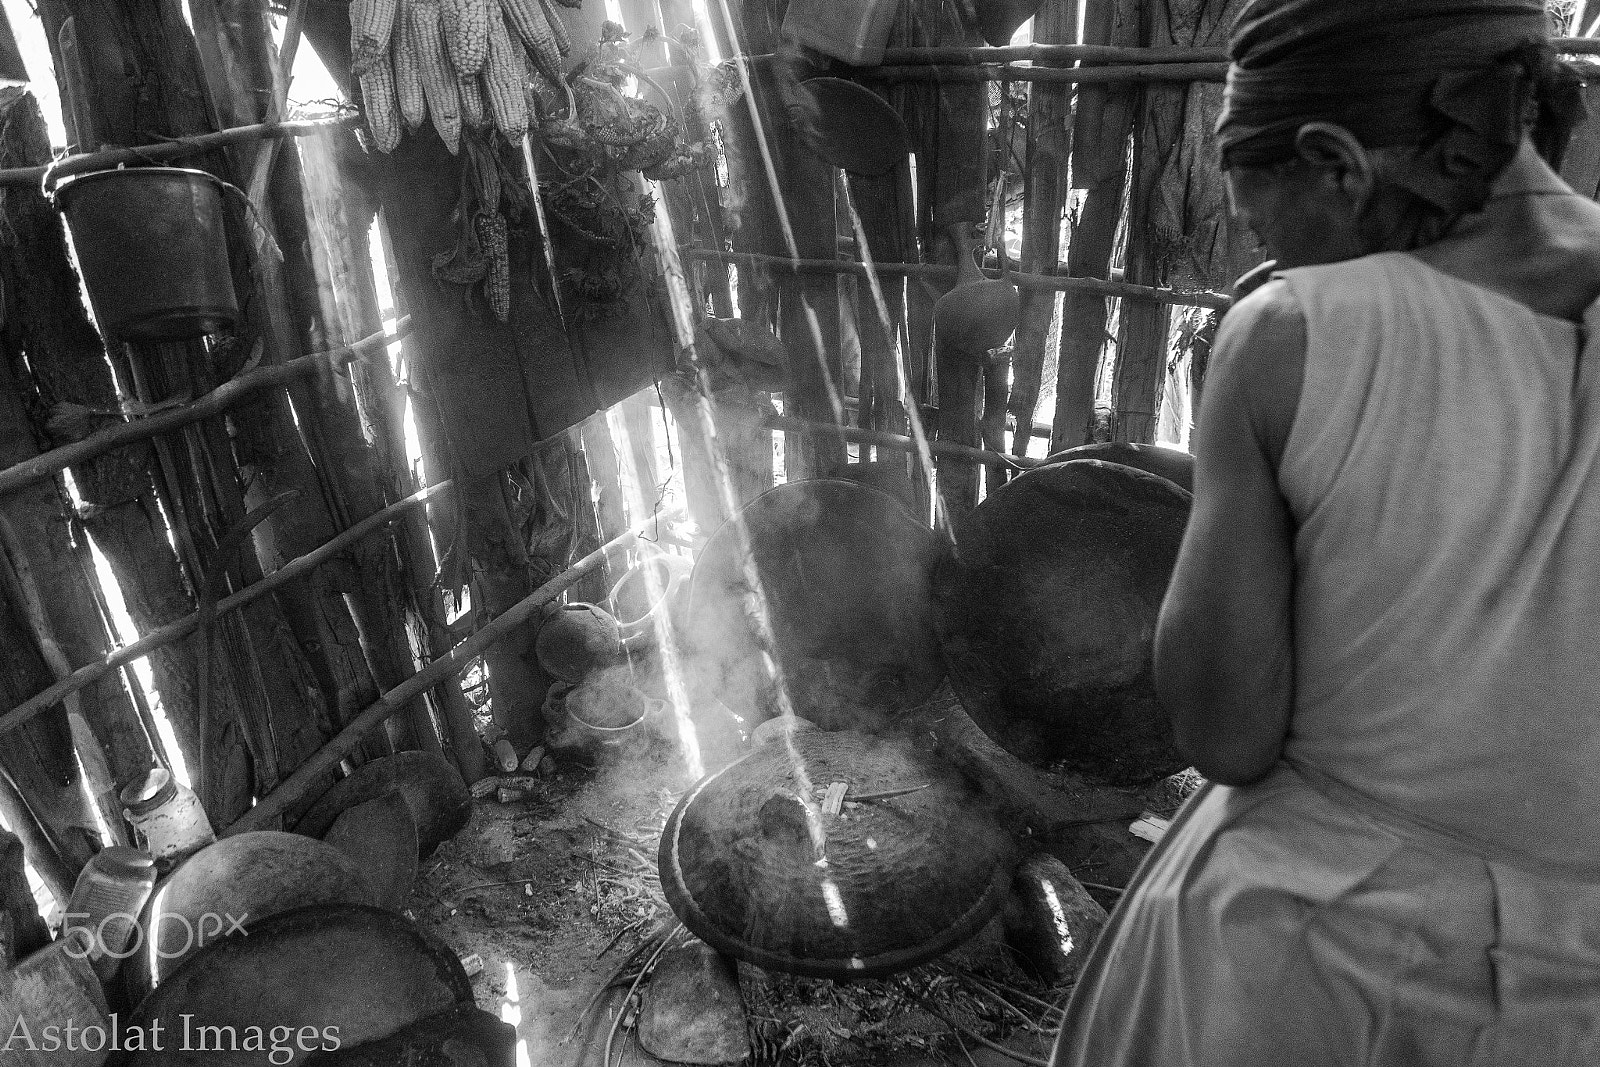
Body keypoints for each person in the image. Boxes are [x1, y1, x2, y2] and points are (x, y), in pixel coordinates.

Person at [1049, 2, 1600, 1064]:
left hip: (1296, 965)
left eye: (1259, 217)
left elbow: (1223, 731)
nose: (1260, 248)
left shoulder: (1294, 333)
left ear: (1337, 165)